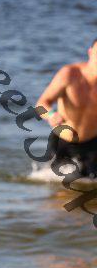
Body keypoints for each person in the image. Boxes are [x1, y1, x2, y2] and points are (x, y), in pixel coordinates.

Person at [36, 39, 97, 178]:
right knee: (57, 187)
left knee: (90, 187)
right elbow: (41, 103)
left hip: (93, 144)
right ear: (90, 52)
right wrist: (51, 114)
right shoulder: (69, 74)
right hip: (63, 142)